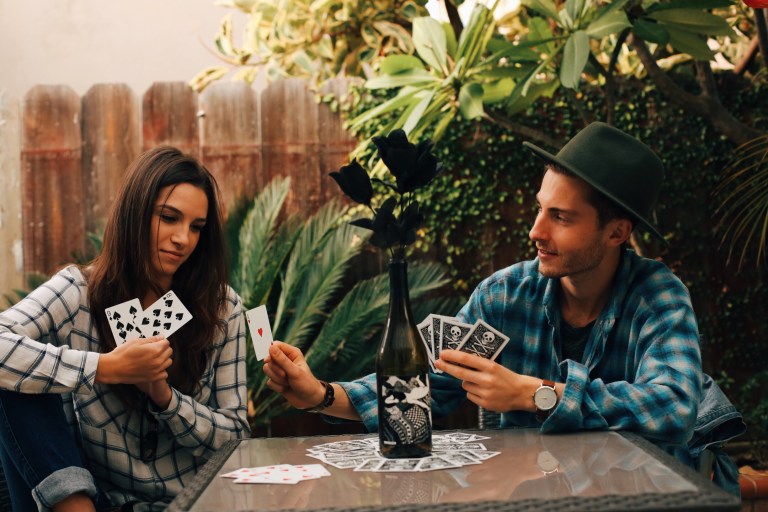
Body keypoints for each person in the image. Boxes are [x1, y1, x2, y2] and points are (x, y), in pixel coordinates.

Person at [263, 122, 744, 493]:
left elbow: (674, 407)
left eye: (560, 217)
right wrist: (322, 394)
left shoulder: (659, 295)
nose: (536, 230)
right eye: (540, 208)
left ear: (616, 232)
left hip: (645, 494)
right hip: (535, 494)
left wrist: (535, 393)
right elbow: (428, 387)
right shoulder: (502, 295)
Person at [0, 146, 249, 511]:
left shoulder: (221, 307)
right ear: (134, 214)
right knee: (13, 378)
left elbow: (237, 438)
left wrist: (164, 398)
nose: (183, 239)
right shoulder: (77, 291)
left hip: (189, 503)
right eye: (168, 218)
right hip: (92, 501)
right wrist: (106, 368)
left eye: (196, 227)